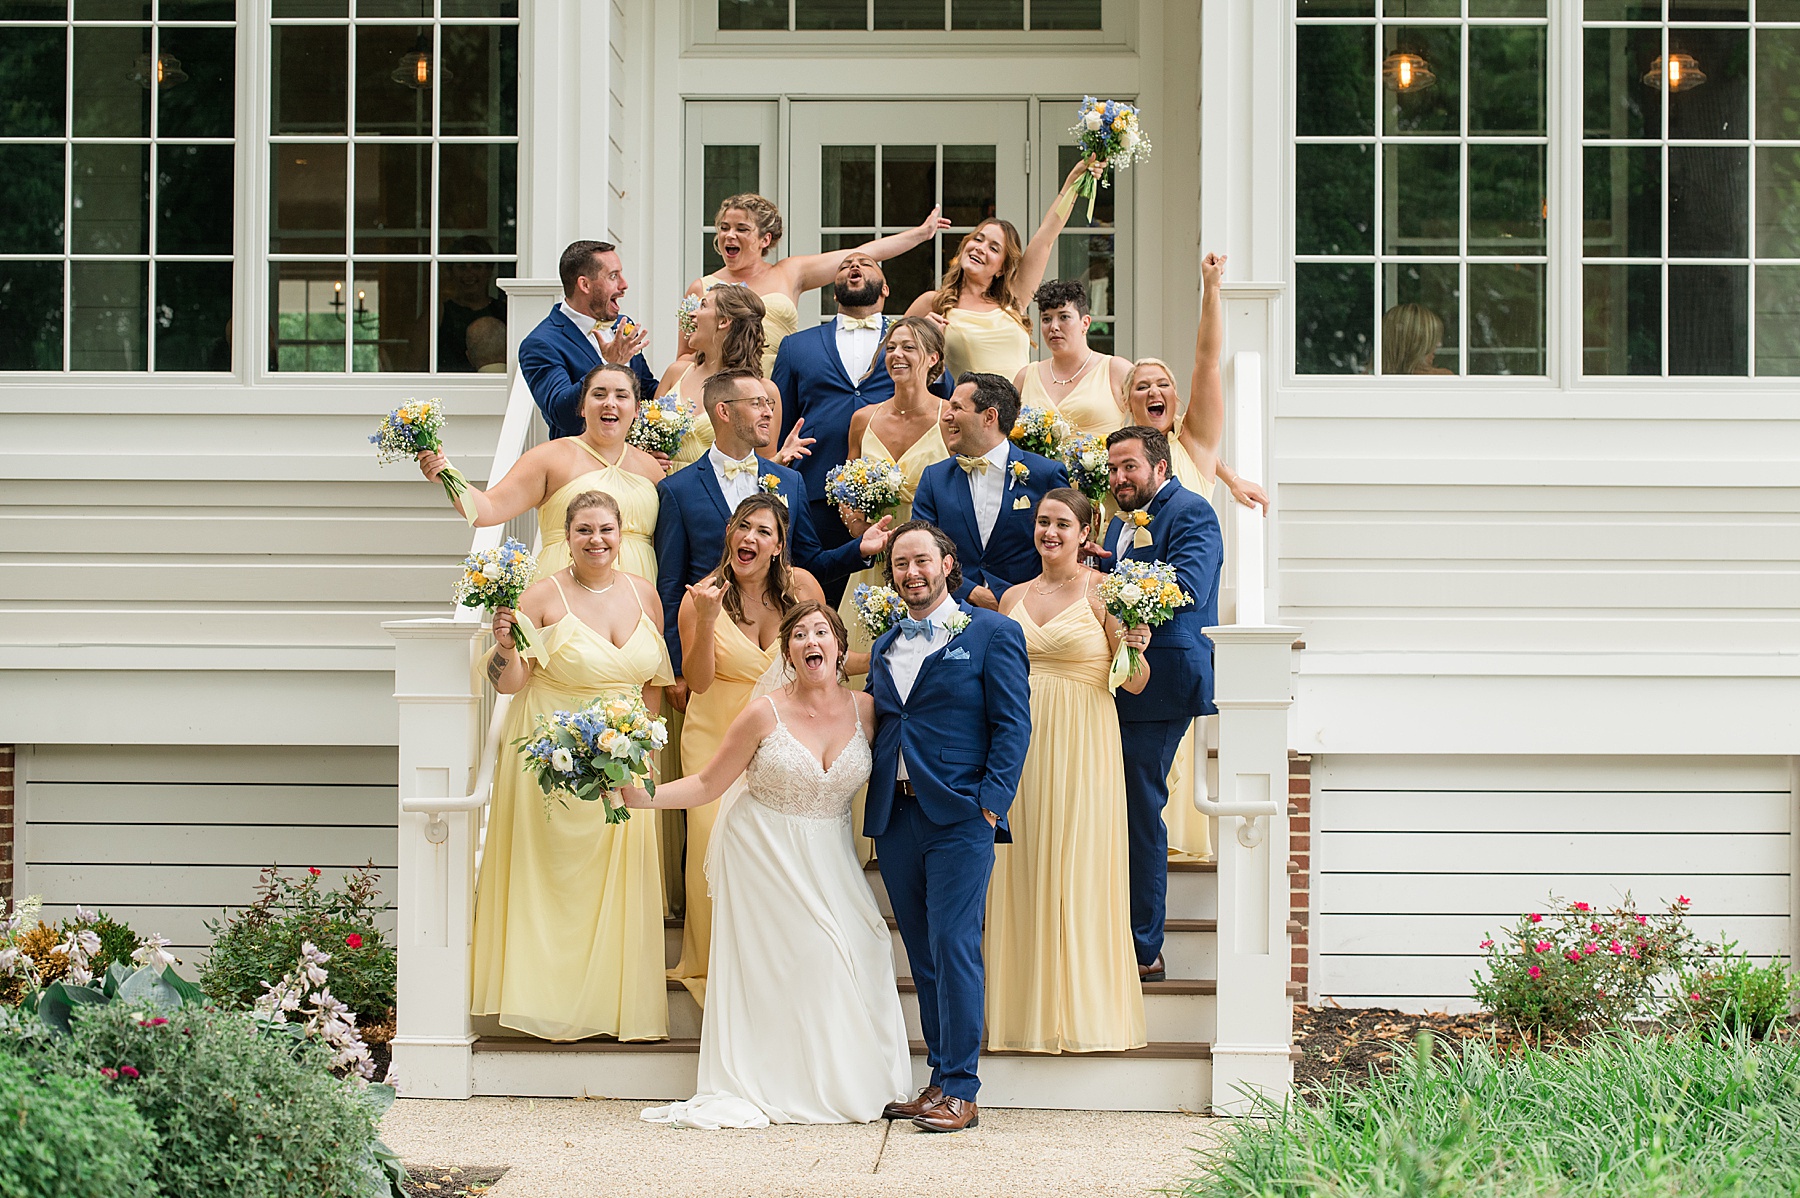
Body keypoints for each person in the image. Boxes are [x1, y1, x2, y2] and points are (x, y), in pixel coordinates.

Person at [630, 602, 911, 1128]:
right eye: (799, 634)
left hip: (830, 850)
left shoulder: (868, 711)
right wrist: (640, 797)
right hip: (763, 849)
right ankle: (786, 1083)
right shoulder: (764, 713)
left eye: (821, 632)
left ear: (839, 647)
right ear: (788, 653)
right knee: (811, 956)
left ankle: (847, 1080)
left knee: (868, 946)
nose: (811, 641)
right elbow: (709, 784)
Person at [470, 489, 673, 1041]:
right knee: (553, 878)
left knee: (616, 878)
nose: (597, 540)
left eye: (606, 529)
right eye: (584, 530)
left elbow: (652, 683)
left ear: (622, 533)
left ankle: (609, 1007)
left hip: (623, 759)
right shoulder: (541, 596)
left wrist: (647, 752)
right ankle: (544, 1003)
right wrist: (506, 647)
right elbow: (510, 683)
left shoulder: (645, 595)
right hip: (551, 756)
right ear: (566, 535)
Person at [864, 522, 1030, 1132]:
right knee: (923, 951)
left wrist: (990, 803)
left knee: (955, 944)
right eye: (900, 564)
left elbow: (1013, 726)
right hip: (898, 815)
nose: (911, 573)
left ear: (947, 563)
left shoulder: (992, 633)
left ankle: (963, 1086)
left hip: (961, 815)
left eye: (921, 561)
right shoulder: (885, 647)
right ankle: (937, 1079)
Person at [986, 487, 1149, 1053]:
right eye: (1042, 522)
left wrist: (1135, 644)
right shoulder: (1011, 599)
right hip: (1021, 743)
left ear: (1086, 534)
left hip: (1085, 740)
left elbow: (1132, 682)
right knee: (1025, 863)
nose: (1049, 532)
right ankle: (1025, 1013)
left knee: (1079, 865)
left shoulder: (1105, 594)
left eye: (1062, 524)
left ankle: (1085, 1015)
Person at [1121, 253, 1267, 862]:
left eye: (1162, 384)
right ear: (1126, 402)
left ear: (1175, 397)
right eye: (1140, 385)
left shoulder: (1196, 441)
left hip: (1174, 640)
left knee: (1151, 779)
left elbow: (1208, 357)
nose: (1154, 389)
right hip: (1129, 652)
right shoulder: (1120, 469)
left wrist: (1211, 286)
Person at [666, 495, 827, 1008]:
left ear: (779, 546)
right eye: (742, 527)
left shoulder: (803, 589)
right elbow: (697, 679)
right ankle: (716, 968)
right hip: (714, 731)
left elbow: (822, 656)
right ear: (730, 534)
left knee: (772, 847)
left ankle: (769, 968)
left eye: (763, 531)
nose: (750, 538)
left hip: (780, 734)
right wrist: (709, 619)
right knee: (715, 844)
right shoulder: (702, 596)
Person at [655, 368, 890, 677]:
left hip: (779, 645)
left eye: (769, 404)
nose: (768, 412)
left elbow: (809, 563)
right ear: (724, 410)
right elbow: (671, 586)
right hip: (715, 651)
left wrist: (858, 549)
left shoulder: (789, 481)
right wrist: (678, 671)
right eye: (756, 403)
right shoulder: (677, 489)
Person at [1100, 427, 1222, 984]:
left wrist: (1123, 593)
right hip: (1118, 679)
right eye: (1114, 470)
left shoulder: (1192, 513)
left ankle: (1144, 946)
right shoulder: (1118, 522)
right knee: (1114, 805)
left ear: (1161, 468)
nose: (1120, 478)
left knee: (1139, 807)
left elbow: (1190, 587)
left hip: (1165, 677)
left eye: (1130, 467)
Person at [771, 253, 953, 606]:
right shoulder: (797, 346)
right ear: (834, 294)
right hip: (816, 496)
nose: (854, 267)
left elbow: (941, 401)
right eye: (844, 265)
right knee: (818, 602)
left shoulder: (910, 340)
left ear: (885, 289)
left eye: (866, 264)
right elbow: (782, 420)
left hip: (909, 508)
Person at [419, 362, 664, 582]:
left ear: (636, 410)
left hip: (637, 593)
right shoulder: (549, 457)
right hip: (567, 591)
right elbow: (488, 509)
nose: (609, 402)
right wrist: (446, 473)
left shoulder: (651, 467)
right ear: (582, 407)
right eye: (599, 394)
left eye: (621, 396)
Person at [683, 194, 950, 375]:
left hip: (776, 384)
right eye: (724, 227)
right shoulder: (701, 287)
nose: (729, 235)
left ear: (765, 239)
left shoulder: (790, 272)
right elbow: (684, 356)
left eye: (741, 229)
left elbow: (861, 253)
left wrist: (921, 233)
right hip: (720, 385)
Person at [905, 157, 1100, 381]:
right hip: (974, 411)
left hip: (1027, 409)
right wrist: (920, 338)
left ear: (1001, 269)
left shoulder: (1013, 300)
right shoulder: (934, 302)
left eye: (993, 248)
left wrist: (1073, 180)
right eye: (978, 239)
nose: (980, 248)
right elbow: (890, 352)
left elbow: (1046, 237)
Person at [833, 318, 951, 666]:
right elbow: (846, 488)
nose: (896, 355)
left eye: (908, 347)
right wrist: (859, 529)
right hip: (874, 559)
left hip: (930, 561)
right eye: (891, 347)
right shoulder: (863, 418)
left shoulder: (949, 420)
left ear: (933, 358)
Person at [911, 373, 1067, 610]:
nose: (946, 416)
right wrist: (972, 591)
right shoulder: (934, 478)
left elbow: (1063, 547)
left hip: (1030, 611)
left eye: (957, 407)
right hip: (952, 608)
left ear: (989, 417)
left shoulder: (1046, 474)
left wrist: (1021, 598)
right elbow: (921, 549)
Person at [519, 240, 657, 439]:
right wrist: (608, 366)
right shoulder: (540, 344)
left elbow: (645, 391)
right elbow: (562, 413)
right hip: (580, 464)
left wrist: (692, 372)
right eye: (613, 276)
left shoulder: (622, 326)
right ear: (584, 284)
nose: (624, 284)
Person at [652, 283, 779, 472]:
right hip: (665, 488)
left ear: (723, 321)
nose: (692, 314)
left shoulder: (764, 391)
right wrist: (649, 457)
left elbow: (765, 465)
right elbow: (647, 440)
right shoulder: (675, 373)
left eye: (703, 306)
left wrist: (783, 459)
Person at [1014, 279, 1133, 437]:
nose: (1054, 327)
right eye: (1046, 319)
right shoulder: (1025, 376)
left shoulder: (1116, 370)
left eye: (1064, 317)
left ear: (1085, 323)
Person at [437, 243, 507, 373]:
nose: (469, 273)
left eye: (476, 266)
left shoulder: (506, 311)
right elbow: (415, 364)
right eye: (462, 267)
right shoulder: (437, 313)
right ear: (451, 272)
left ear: (489, 270)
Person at [1382, 302, 1452, 375]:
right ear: (1413, 343)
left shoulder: (1373, 379)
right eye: (1430, 340)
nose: (1439, 344)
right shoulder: (1442, 379)